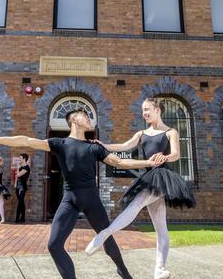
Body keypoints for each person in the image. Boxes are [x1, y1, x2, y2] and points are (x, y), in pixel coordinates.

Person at [0, 109, 160, 279]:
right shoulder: (59, 144)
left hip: (92, 201)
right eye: (84, 115)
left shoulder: (94, 146)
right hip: (70, 200)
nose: (88, 118)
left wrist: (148, 163)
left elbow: (119, 162)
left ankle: (123, 271)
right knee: (54, 245)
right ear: (74, 121)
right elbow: (26, 140)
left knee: (106, 238)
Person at [84, 98, 196, 279]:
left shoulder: (170, 132)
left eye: (147, 109)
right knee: (160, 226)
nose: (144, 113)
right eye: (143, 110)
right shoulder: (141, 133)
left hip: (162, 177)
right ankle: (159, 269)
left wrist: (164, 157)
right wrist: (103, 145)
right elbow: (124, 146)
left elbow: (176, 154)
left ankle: (104, 234)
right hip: (148, 176)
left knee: (138, 204)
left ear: (158, 110)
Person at [14, 153, 31, 223]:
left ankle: (17, 218)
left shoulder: (27, 167)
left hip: (23, 187)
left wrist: (18, 168)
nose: (19, 159)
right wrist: (15, 183)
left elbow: (18, 174)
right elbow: (16, 177)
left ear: (24, 159)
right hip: (17, 186)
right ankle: (23, 218)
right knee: (21, 202)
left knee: (20, 202)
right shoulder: (20, 167)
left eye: (20, 158)